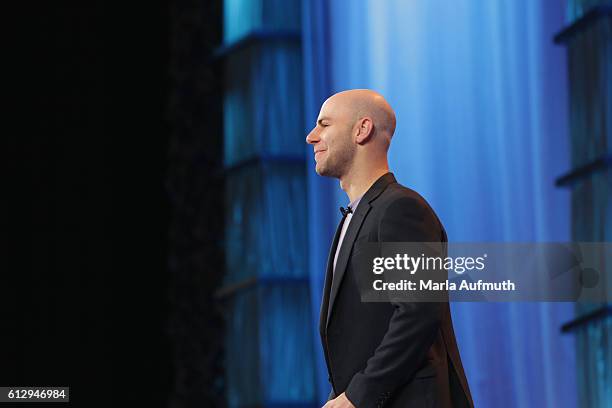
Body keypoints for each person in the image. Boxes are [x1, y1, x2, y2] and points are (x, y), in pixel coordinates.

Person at [306, 89, 473, 408]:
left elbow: (418, 313)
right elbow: (363, 336)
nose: (311, 136)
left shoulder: (401, 208)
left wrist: (357, 396)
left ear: (362, 129)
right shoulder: (355, 218)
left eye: (324, 124)